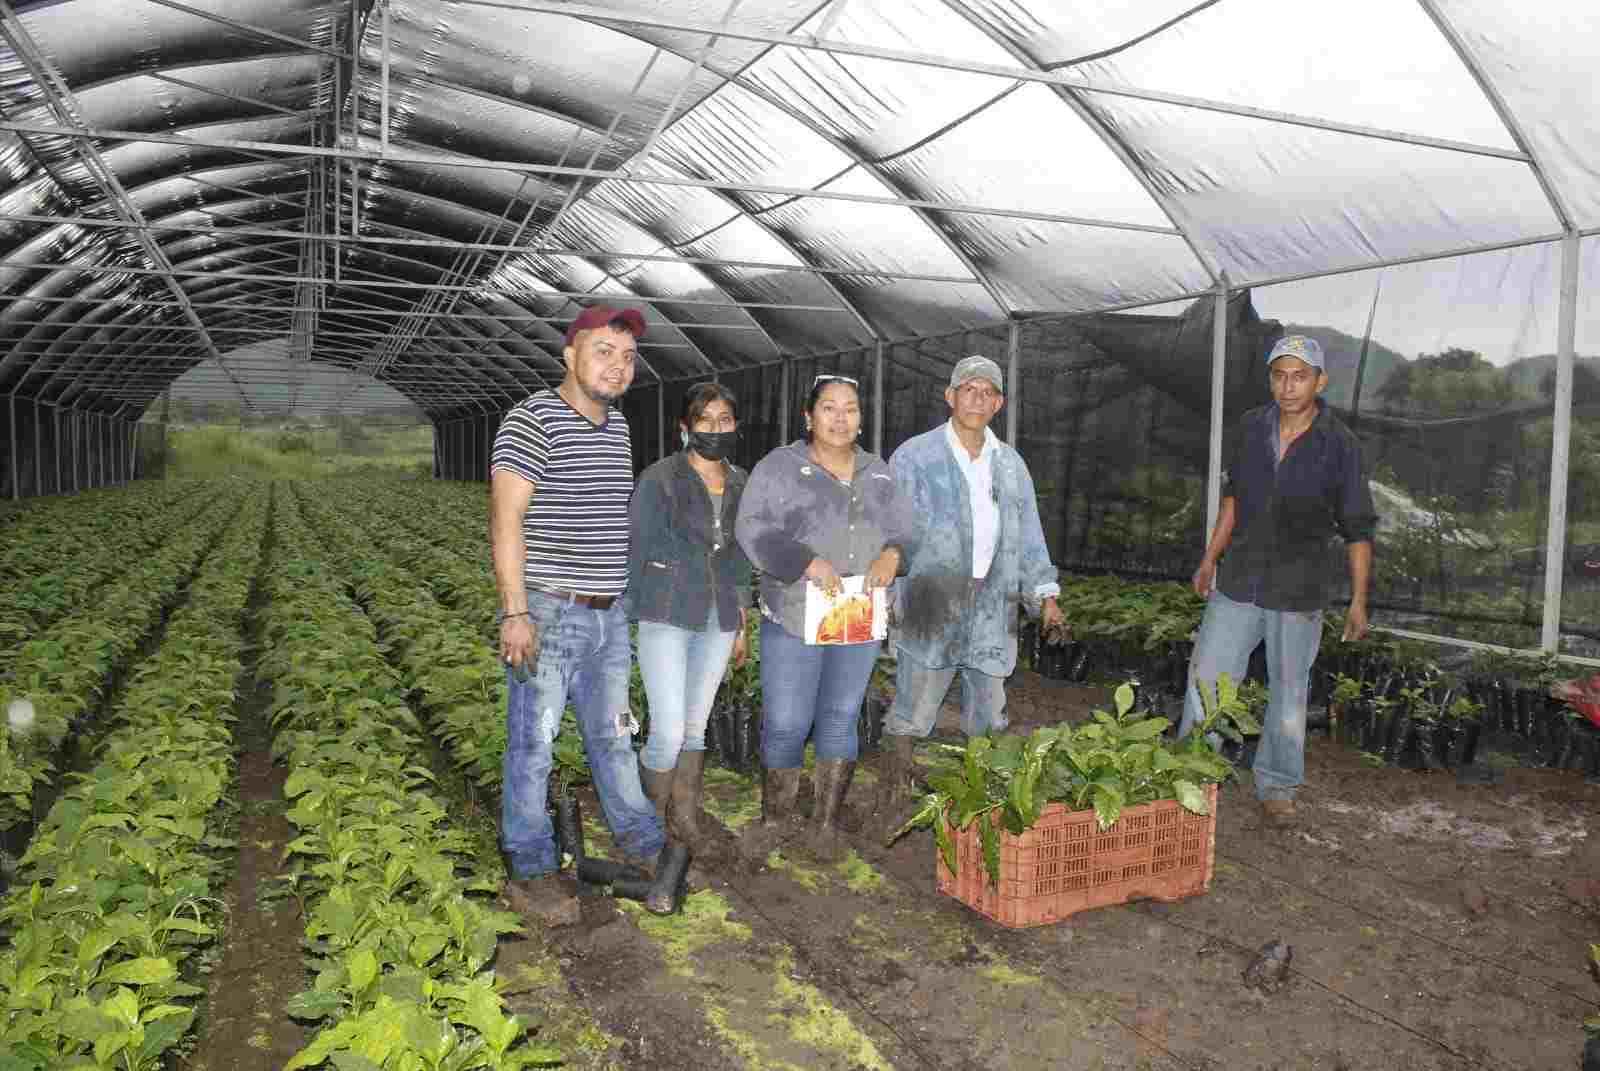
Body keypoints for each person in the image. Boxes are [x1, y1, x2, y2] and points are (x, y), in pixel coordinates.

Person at [490, 304, 667, 925]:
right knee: (534, 744)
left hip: (607, 613)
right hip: (549, 610)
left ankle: (644, 843)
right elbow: (507, 522)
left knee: (616, 735)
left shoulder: (617, 428)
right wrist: (516, 613)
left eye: (627, 356)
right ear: (570, 355)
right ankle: (532, 865)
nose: (618, 366)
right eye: (603, 352)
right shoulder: (532, 420)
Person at [1180, 334, 1375, 823]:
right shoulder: (1250, 428)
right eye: (1280, 375)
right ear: (1271, 379)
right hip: (1239, 578)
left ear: (1320, 381)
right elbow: (1233, 501)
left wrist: (1358, 600)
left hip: (1299, 589)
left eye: (1300, 375)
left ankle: (1277, 785)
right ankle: (1193, 776)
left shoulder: (1340, 445)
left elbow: (1357, 527)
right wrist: (1209, 559)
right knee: (1208, 681)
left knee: (1289, 691)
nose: (1288, 386)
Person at [734, 374, 915, 862]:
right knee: (788, 720)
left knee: (840, 716)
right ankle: (776, 819)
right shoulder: (780, 466)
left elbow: (906, 532)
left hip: (857, 614)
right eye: (829, 408)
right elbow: (750, 528)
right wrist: (805, 561)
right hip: (796, 611)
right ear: (808, 417)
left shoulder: (878, 472)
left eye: (850, 409)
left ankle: (827, 824)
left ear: (861, 417)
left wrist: (893, 555)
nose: (840, 418)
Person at [881, 355, 1065, 811]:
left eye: (988, 392)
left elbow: (1028, 534)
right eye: (969, 389)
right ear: (951, 396)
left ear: (998, 403)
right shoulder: (914, 456)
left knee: (988, 707)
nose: (977, 399)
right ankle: (895, 790)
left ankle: (980, 793)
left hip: (992, 602)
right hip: (930, 597)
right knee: (916, 701)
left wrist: (1046, 594)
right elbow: (890, 530)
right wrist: (884, 592)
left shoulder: (1010, 465)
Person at [628, 382, 752, 856]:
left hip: (718, 616)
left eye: (724, 420)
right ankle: (648, 827)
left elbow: (740, 556)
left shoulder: (740, 482)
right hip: (666, 610)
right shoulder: (660, 479)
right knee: (669, 729)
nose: (715, 429)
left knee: (697, 726)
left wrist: (741, 620)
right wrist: (625, 619)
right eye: (705, 420)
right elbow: (634, 548)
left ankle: (685, 816)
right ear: (685, 428)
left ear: (735, 426)